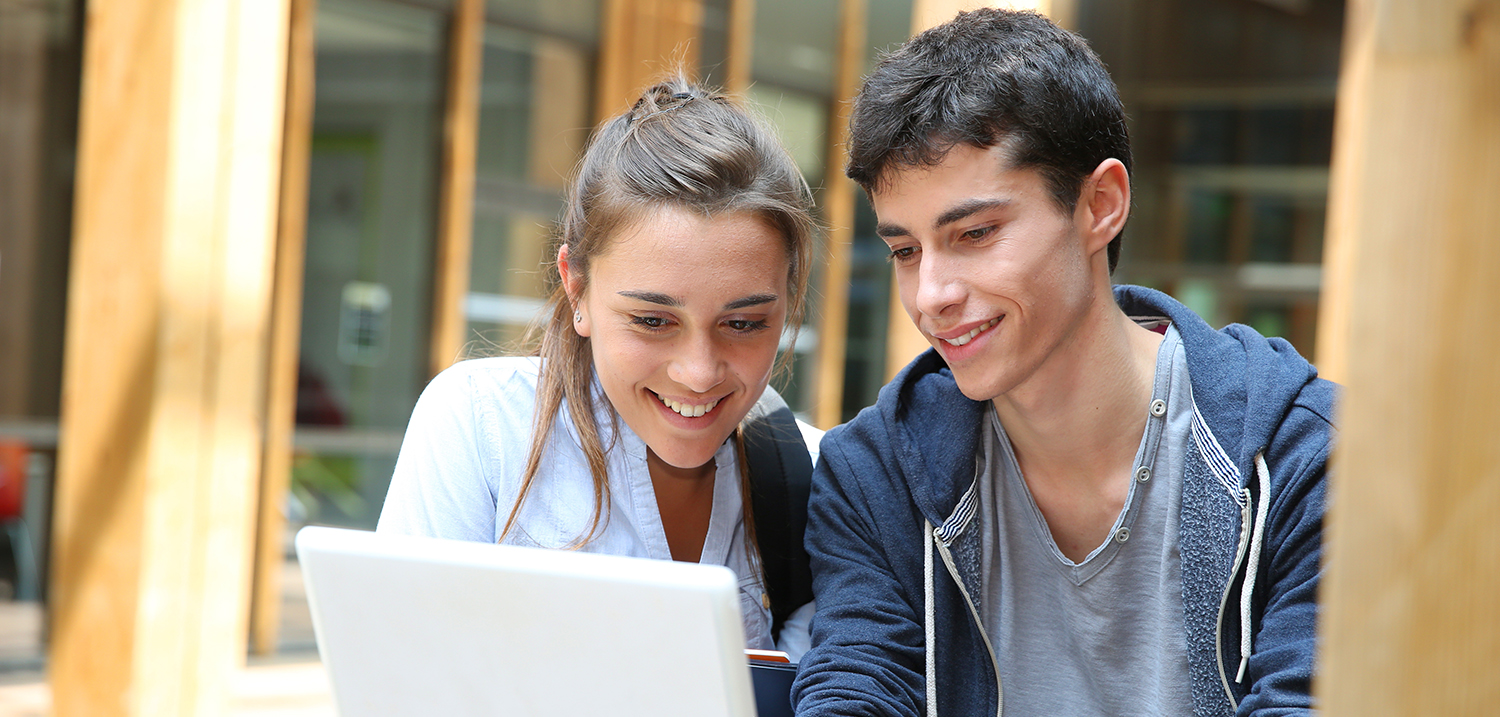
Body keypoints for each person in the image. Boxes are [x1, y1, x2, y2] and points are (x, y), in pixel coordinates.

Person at [792, 9, 1333, 716]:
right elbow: (856, 686)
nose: (931, 296)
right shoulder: (874, 475)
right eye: (905, 250)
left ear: (1100, 205)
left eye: (976, 232)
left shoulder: (1304, 461)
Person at [377, 76, 821, 658]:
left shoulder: (815, 476)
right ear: (576, 288)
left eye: (743, 324)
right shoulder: (483, 428)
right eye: (653, 321)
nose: (698, 372)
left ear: (788, 306)